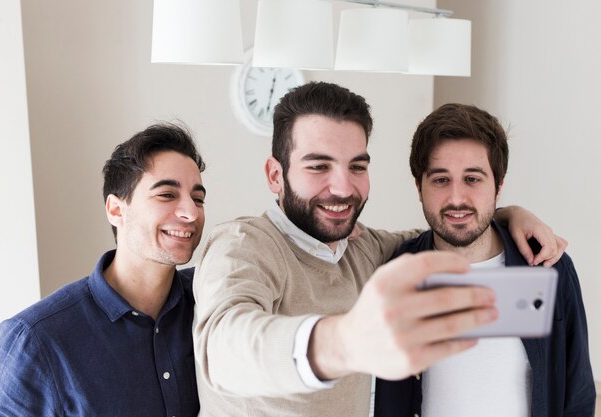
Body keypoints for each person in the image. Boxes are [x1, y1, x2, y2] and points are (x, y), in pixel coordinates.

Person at [193, 82, 566, 417]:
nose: (341, 188)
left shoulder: (366, 249)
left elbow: (448, 228)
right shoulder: (244, 245)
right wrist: (342, 342)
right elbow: (223, 347)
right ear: (276, 174)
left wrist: (506, 214)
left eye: (357, 166)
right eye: (319, 166)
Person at [374, 103, 595, 417]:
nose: (456, 198)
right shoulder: (395, 273)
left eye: (473, 179)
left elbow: (579, 393)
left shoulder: (548, 266)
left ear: (498, 186)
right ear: (418, 188)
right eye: (440, 180)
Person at [0, 123, 205, 416]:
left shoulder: (214, 300)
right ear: (116, 210)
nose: (192, 212)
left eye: (198, 199)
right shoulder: (34, 342)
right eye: (167, 195)